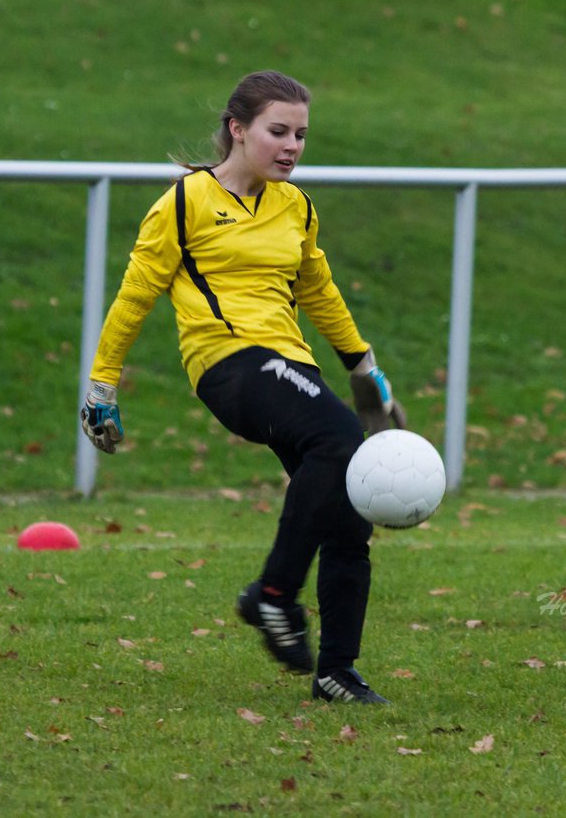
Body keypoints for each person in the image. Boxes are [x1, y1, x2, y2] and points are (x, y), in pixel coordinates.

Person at [79, 70, 406, 704]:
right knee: (342, 442)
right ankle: (273, 594)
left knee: (348, 510)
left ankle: (338, 671)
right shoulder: (185, 201)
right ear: (238, 129)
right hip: (226, 363)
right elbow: (135, 296)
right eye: (277, 131)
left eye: (301, 135)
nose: (291, 146)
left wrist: (363, 368)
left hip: (291, 366)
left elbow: (319, 292)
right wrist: (102, 385)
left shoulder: (296, 206)